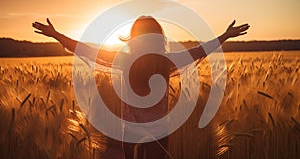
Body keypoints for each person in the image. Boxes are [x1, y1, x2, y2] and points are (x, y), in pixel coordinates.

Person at [32, 16, 249, 158]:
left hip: (130, 134)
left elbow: (85, 50)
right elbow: (200, 51)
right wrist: (225, 36)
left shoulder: (123, 60)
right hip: (159, 134)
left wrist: (56, 34)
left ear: (134, 38)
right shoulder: (165, 62)